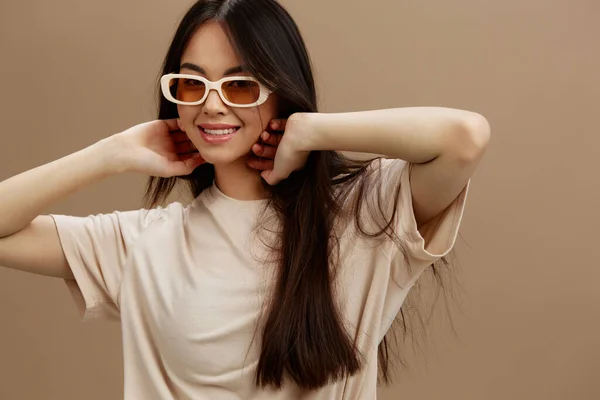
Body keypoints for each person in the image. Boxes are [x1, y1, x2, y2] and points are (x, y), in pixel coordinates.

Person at [0, 0, 490, 399]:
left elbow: (465, 137)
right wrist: (109, 154)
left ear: (282, 89)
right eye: (192, 83)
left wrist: (311, 129)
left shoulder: (363, 214)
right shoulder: (141, 244)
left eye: (240, 84)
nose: (212, 103)